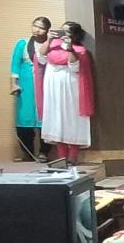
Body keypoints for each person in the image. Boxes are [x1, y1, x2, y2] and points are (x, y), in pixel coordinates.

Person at [36, 21, 95, 163]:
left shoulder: (80, 50)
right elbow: (40, 59)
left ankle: (72, 157)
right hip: (53, 89)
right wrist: (49, 40)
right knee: (56, 120)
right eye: (61, 31)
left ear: (74, 35)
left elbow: (75, 67)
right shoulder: (52, 46)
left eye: (66, 32)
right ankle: (62, 158)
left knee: (72, 120)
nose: (62, 34)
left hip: (70, 89)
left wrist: (70, 49)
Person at [9, 16, 50, 161]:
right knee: (24, 119)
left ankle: (44, 152)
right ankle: (28, 153)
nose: (37, 30)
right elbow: (15, 65)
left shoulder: (50, 44)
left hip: (45, 83)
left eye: (41, 28)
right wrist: (13, 83)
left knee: (45, 119)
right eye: (35, 26)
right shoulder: (23, 43)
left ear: (47, 30)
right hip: (26, 84)